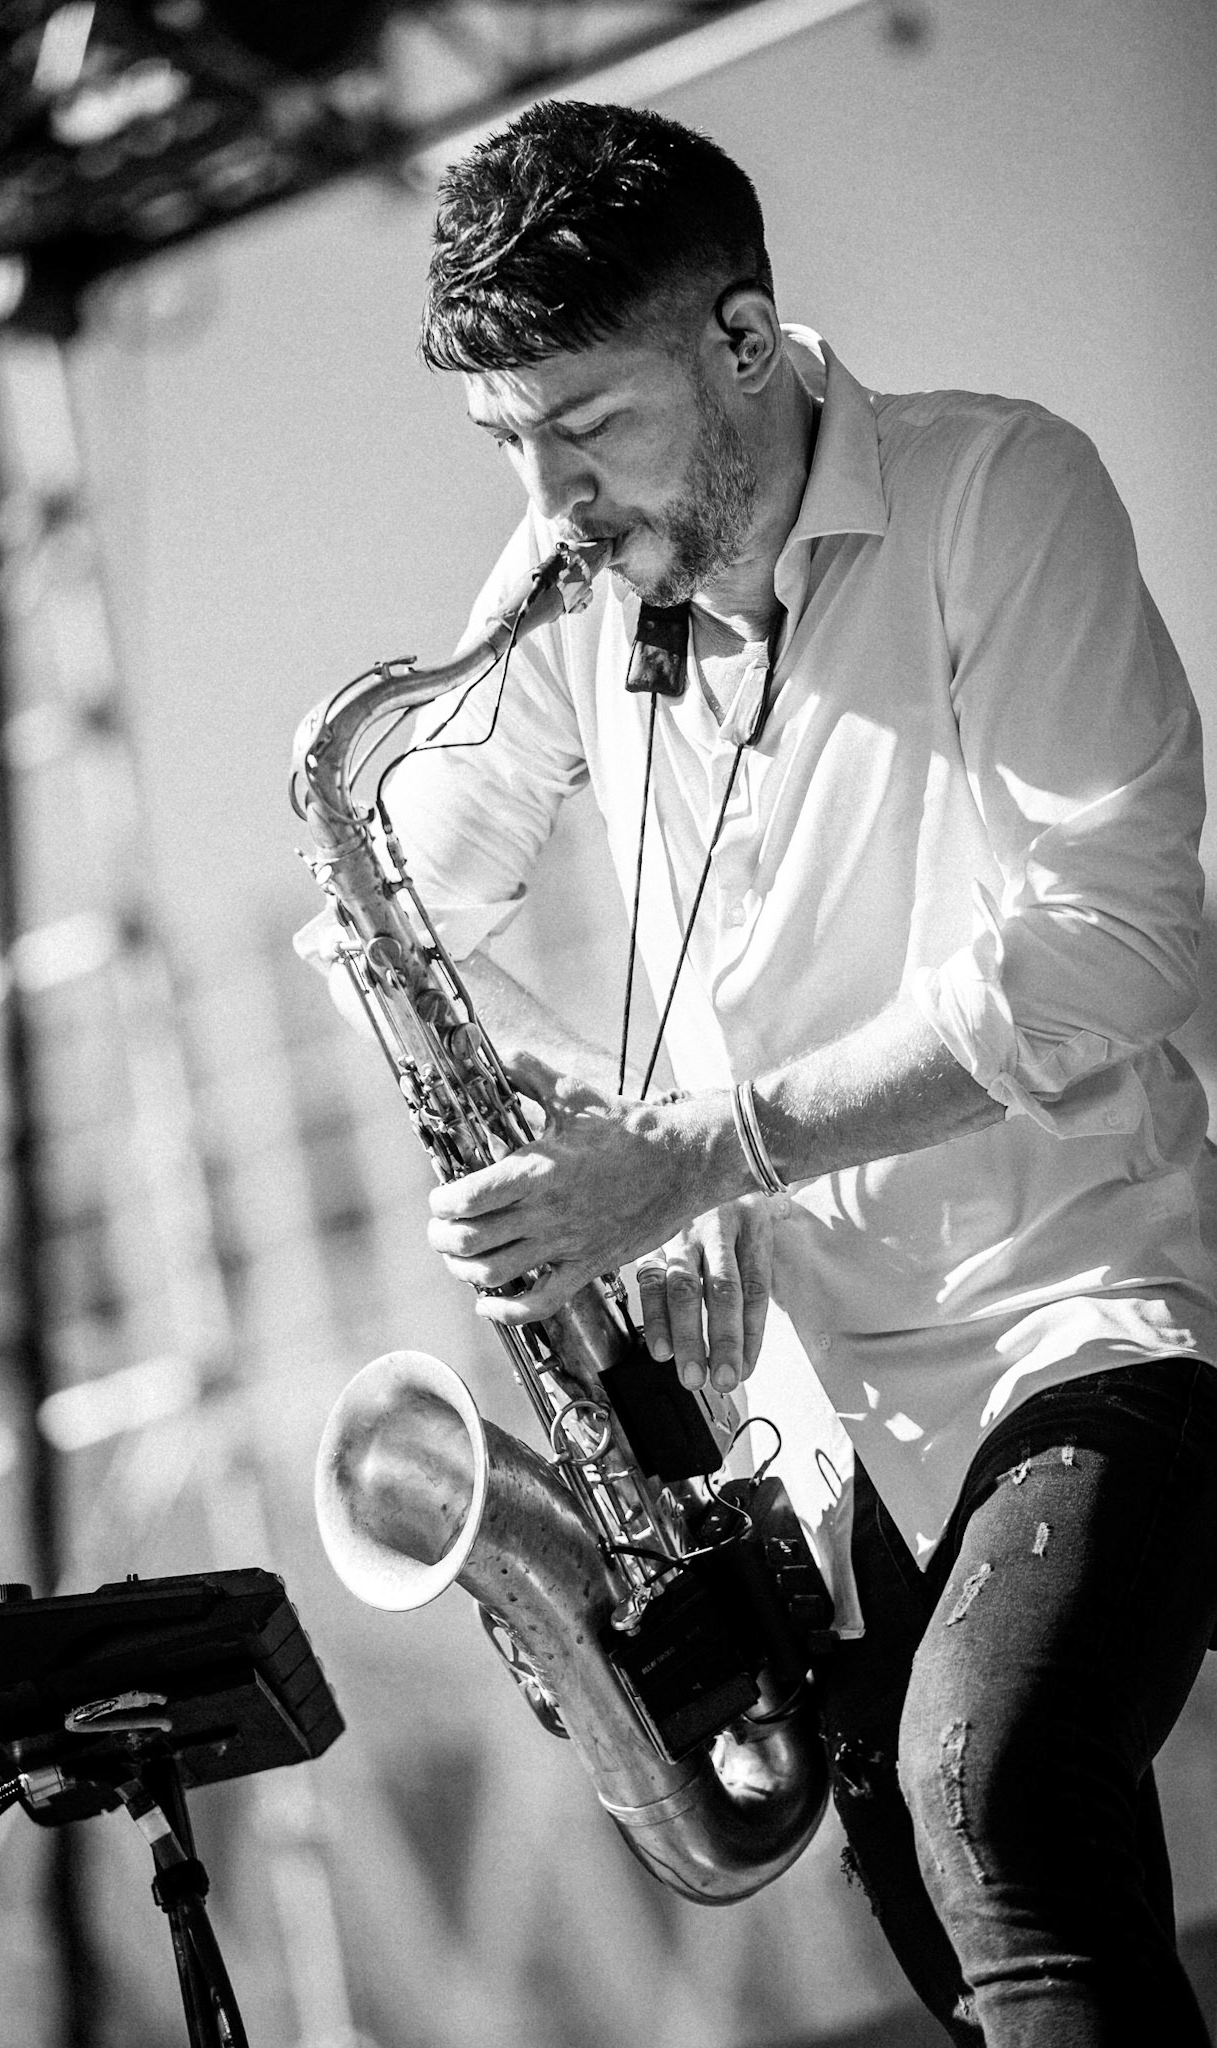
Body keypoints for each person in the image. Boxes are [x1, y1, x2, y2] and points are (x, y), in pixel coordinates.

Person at [373, 98, 1217, 2043]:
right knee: (950, 1923)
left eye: (587, 425)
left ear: (743, 340)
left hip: (1087, 1323)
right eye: (505, 441)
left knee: (993, 1791)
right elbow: (399, 900)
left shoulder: (995, 491)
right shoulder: (566, 586)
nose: (548, 497)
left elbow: (1115, 939)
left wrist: (694, 1152)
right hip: (808, 1446)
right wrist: (563, 1117)